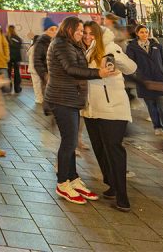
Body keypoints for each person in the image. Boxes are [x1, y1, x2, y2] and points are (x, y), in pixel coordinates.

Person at [45, 16, 114, 204]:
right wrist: (98, 74)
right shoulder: (61, 44)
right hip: (62, 99)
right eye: (78, 30)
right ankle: (62, 183)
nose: (80, 33)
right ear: (67, 28)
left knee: (72, 141)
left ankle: (73, 178)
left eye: (82, 31)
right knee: (69, 142)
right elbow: (71, 69)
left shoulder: (72, 44)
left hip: (70, 99)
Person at [81, 21, 137, 212]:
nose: (87, 37)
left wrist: (114, 58)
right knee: (99, 149)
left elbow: (131, 67)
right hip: (91, 110)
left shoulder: (110, 47)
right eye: (85, 33)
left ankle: (123, 197)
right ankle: (112, 185)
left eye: (91, 34)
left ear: (98, 34)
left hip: (112, 109)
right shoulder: (84, 50)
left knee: (113, 149)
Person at [125, 25, 163, 135]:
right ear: (137, 33)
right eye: (142, 32)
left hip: (160, 80)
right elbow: (130, 64)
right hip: (145, 82)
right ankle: (157, 127)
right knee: (151, 106)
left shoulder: (156, 45)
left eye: (146, 32)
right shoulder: (132, 47)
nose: (145, 34)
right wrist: (138, 78)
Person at [32, 18, 58, 107]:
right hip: (49, 79)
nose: (54, 31)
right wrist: (45, 75)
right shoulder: (41, 42)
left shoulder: (56, 41)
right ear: (45, 31)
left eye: (55, 29)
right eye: (51, 29)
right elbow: (37, 62)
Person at [6, 24, 24, 94]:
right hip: (17, 58)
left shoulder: (5, 37)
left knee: (8, 73)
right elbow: (20, 47)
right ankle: (17, 88)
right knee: (17, 73)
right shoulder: (18, 38)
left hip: (8, 58)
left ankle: (8, 89)